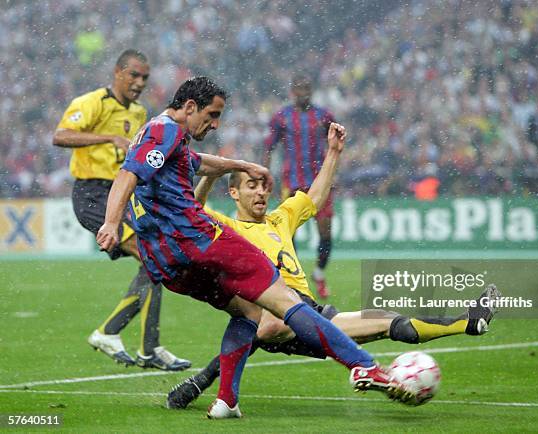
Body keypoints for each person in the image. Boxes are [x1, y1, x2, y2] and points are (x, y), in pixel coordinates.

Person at [96, 76, 414, 419]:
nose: (215, 124)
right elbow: (128, 175)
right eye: (212, 115)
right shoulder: (166, 130)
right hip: (198, 238)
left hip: (166, 263)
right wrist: (111, 222)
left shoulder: (160, 136)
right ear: (189, 107)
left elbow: (197, 162)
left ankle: (227, 402)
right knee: (284, 298)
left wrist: (243, 165)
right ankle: (362, 364)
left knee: (248, 312)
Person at [166, 123, 501, 409]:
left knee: (384, 320)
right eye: (251, 187)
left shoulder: (279, 219)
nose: (260, 193)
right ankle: (205, 381)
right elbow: (192, 210)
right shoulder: (227, 226)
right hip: (272, 311)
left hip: (309, 312)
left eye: (264, 187)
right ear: (235, 194)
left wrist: (334, 153)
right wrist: (212, 173)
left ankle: (465, 324)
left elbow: (313, 198)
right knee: (269, 326)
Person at [53, 49, 190, 371]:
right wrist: (108, 138)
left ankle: (116, 335)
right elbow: (60, 136)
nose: (139, 82)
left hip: (121, 194)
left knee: (157, 259)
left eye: (144, 77)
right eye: (134, 75)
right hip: (92, 195)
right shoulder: (93, 102)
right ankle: (143, 345)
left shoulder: (141, 113)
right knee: (151, 257)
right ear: (117, 72)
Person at [263, 73, 336, 298]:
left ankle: (319, 273)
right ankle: (291, 278)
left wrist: (334, 170)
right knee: (287, 233)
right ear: (293, 91)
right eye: (299, 88)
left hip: (319, 183)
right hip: (292, 183)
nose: (303, 92)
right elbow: (269, 147)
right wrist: (264, 176)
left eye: (307, 88)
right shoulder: (281, 117)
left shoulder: (323, 116)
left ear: (311, 90)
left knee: (325, 232)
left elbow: (336, 143)